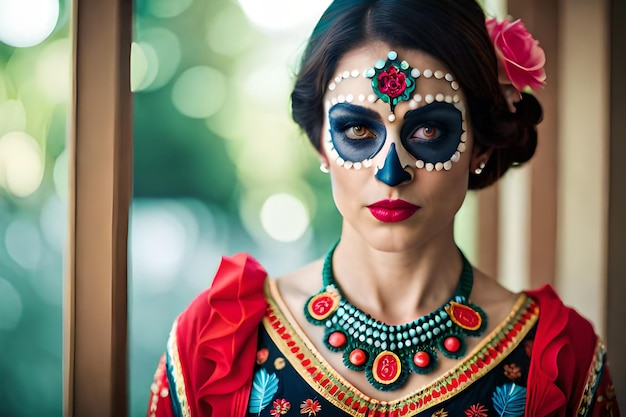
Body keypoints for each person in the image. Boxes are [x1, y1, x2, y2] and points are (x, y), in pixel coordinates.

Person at [146, 0, 620, 416]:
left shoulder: (559, 363)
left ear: (479, 145)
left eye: (429, 131)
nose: (392, 172)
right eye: (357, 131)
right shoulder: (216, 344)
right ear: (320, 145)